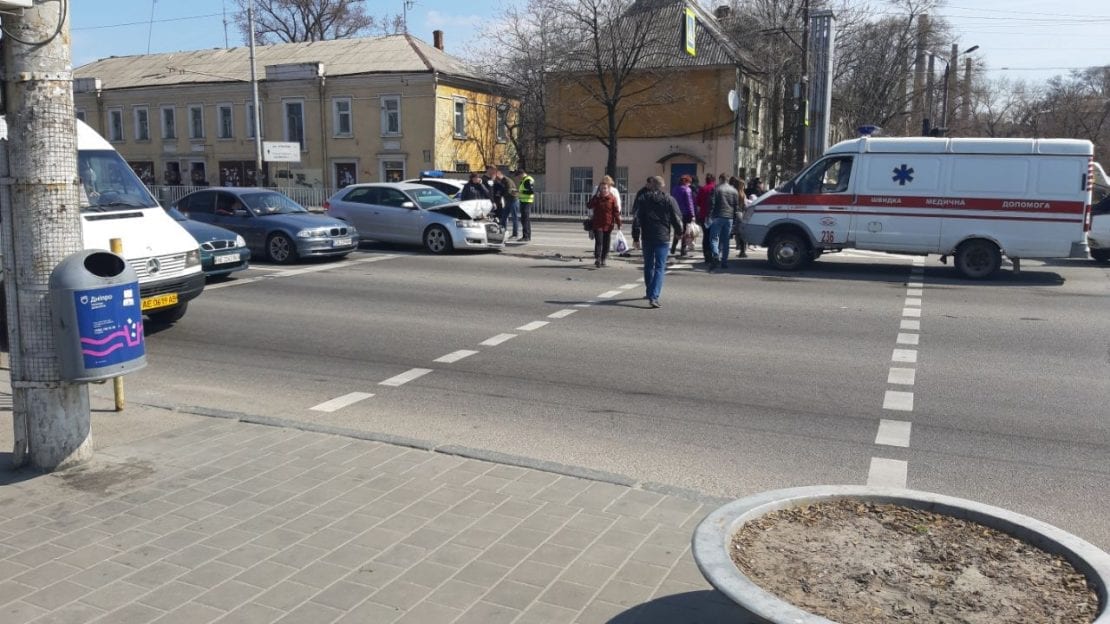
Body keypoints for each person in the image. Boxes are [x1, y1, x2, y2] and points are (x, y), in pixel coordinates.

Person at [631, 176, 683, 308]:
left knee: (648, 265)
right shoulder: (669, 199)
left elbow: (636, 219)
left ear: (651, 185)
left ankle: (650, 292)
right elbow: (676, 218)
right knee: (660, 267)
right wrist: (679, 232)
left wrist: (636, 237)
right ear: (662, 186)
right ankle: (654, 296)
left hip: (647, 236)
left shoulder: (643, 199)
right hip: (662, 237)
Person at [708, 174, 741, 271]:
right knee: (726, 241)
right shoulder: (734, 191)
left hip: (718, 216)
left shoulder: (716, 189)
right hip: (729, 217)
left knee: (714, 238)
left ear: (720, 179)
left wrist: (710, 215)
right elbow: (736, 206)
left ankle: (715, 255)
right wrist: (734, 219)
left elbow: (712, 203)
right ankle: (724, 262)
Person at [587, 179, 621, 268]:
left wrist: (618, 222)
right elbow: (589, 205)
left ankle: (603, 258)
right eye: (601, 188)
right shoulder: (597, 198)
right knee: (599, 241)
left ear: (608, 189)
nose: (603, 190)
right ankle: (597, 258)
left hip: (608, 224)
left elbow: (616, 211)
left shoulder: (612, 198)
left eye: (605, 188)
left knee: (606, 242)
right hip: (597, 223)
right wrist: (595, 197)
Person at [671, 175, 696, 256]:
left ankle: (673, 248)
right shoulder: (687, 190)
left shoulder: (674, 189)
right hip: (685, 213)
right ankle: (683, 250)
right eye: (689, 182)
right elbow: (690, 203)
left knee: (677, 230)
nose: (690, 184)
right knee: (685, 232)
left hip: (676, 213)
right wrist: (692, 214)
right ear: (687, 182)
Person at [694, 173, 716, 262]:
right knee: (714, 236)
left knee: (706, 236)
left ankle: (707, 255)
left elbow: (698, 202)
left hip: (704, 215)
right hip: (714, 216)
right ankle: (714, 254)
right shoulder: (715, 188)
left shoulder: (702, 189)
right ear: (714, 180)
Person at [515, 168, 535, 241]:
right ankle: (526, 236)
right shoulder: (524, 180)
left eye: (518, 176)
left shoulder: (527, 180)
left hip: (527, 202)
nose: (518, 178)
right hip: (524, 201)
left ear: (521, 174)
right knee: (524, 219)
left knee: (525, 219)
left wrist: (520, 193)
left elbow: (531, 192)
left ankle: (526, 236)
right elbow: (525, 190)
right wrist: (518, 192)